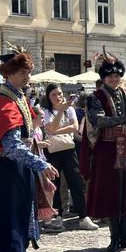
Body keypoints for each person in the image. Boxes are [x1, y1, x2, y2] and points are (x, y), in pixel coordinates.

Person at [0, 46, 59, 252]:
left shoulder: (17, 96)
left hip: (15, 171)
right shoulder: (6, 101)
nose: (28, 77)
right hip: (7, 172)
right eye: (24, 72)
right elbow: (12, 146)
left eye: (29, 72)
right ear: (10, 74)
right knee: (8, 224)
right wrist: (40, 164)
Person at [80, 52, 126, 252]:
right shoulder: (95, 97)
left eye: (116, 75)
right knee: (112, 193)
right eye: (109, 76)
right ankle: (114, 236)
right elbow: (98, 120)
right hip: (107, 149)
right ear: (103, 78)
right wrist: (122, 119)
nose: (114, 78)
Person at [42, 84, 98, 231]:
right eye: (54, 94)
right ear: (48, 97)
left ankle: (83, 216)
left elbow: (74, 127)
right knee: (56, 183)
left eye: (59, 94)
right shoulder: (46, 111)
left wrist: (57, 129)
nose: (58, 97)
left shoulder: (71, 109)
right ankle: (58, 215)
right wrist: (60, 112)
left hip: (68, 149)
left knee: (76, 182)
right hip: (53, 151)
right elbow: (50, 128)